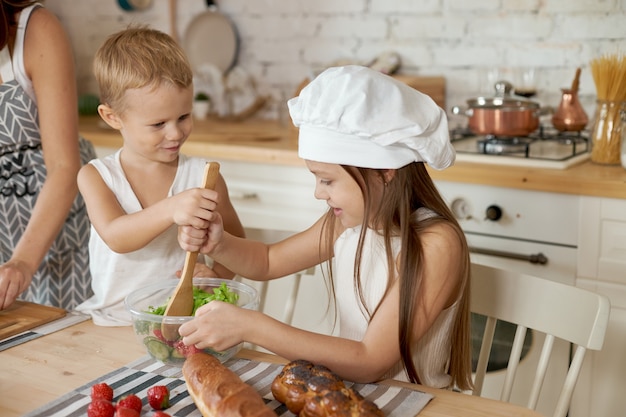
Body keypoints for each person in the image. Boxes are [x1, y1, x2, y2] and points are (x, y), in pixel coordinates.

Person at [177, 65, 473, 390]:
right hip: (346, 397)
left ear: (384, 171)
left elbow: (370, 360)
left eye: (327, 180)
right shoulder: (347, 224)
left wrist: (251, 327)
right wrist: (219, 245)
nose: (319, 192)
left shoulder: (436, 244)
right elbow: (268, 261)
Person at [74, 27, 245, 326]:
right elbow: (117, 236)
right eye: (158, 124)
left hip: (188, 323)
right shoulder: (96, 176)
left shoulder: (204, 176)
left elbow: (236, 240)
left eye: (183, 117)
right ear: (112, 117)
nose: (175, 133)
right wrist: (171, 208)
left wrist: (217, 275)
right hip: (115, 323)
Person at [0, 1, 96, 311]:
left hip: (60, 237)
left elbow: (64, 167)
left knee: (69, 348)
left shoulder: (35, 31)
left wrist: (24, 261)